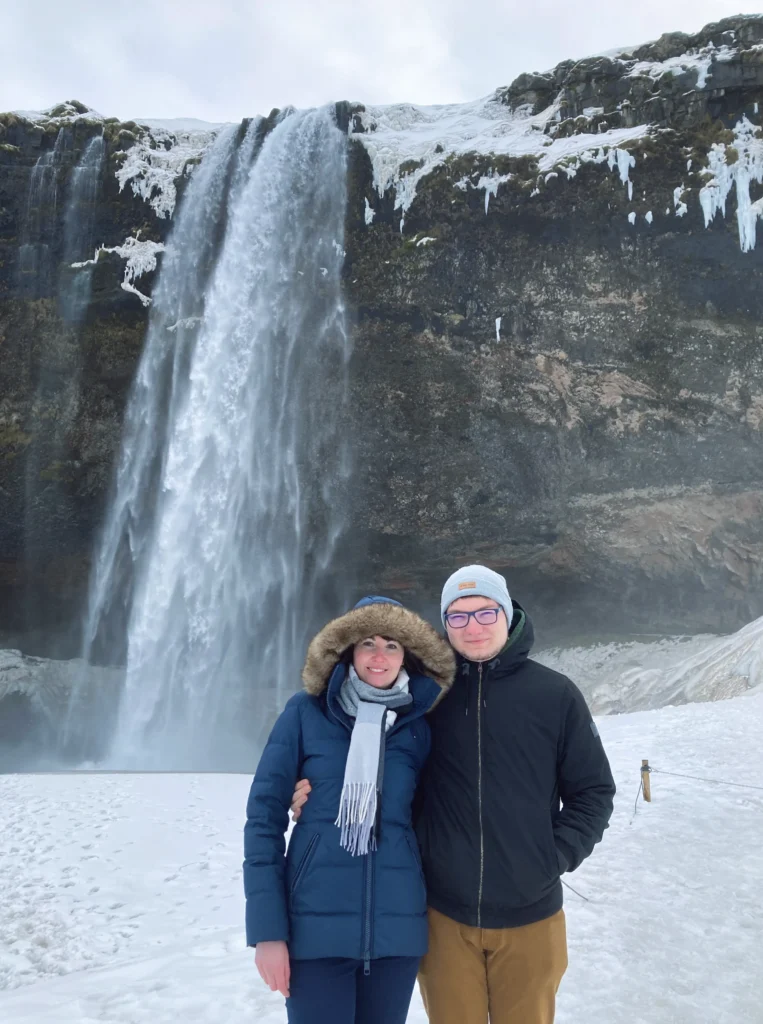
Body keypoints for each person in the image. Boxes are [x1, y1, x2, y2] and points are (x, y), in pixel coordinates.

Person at [292, 566, 616, 1024]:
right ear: (445, 625)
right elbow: (375, 760)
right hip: (444, 914)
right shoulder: (425, 698)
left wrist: (553, 856)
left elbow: (594, 791)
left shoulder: (554, 695)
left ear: (508, 614)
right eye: (459, 617)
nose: (474, 626)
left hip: (531, 916)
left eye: (485, 612)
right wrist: (310, 787)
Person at [243, 595, 455, 1024]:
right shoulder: (305, 713)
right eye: (368, 643)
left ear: (407, 657)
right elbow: (263, 819)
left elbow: (435, 820)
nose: (380, 656)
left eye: (392, 645)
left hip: (396, 936)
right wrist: (267, 933)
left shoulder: (420, 729)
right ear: (348, 651)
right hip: (314, 935)